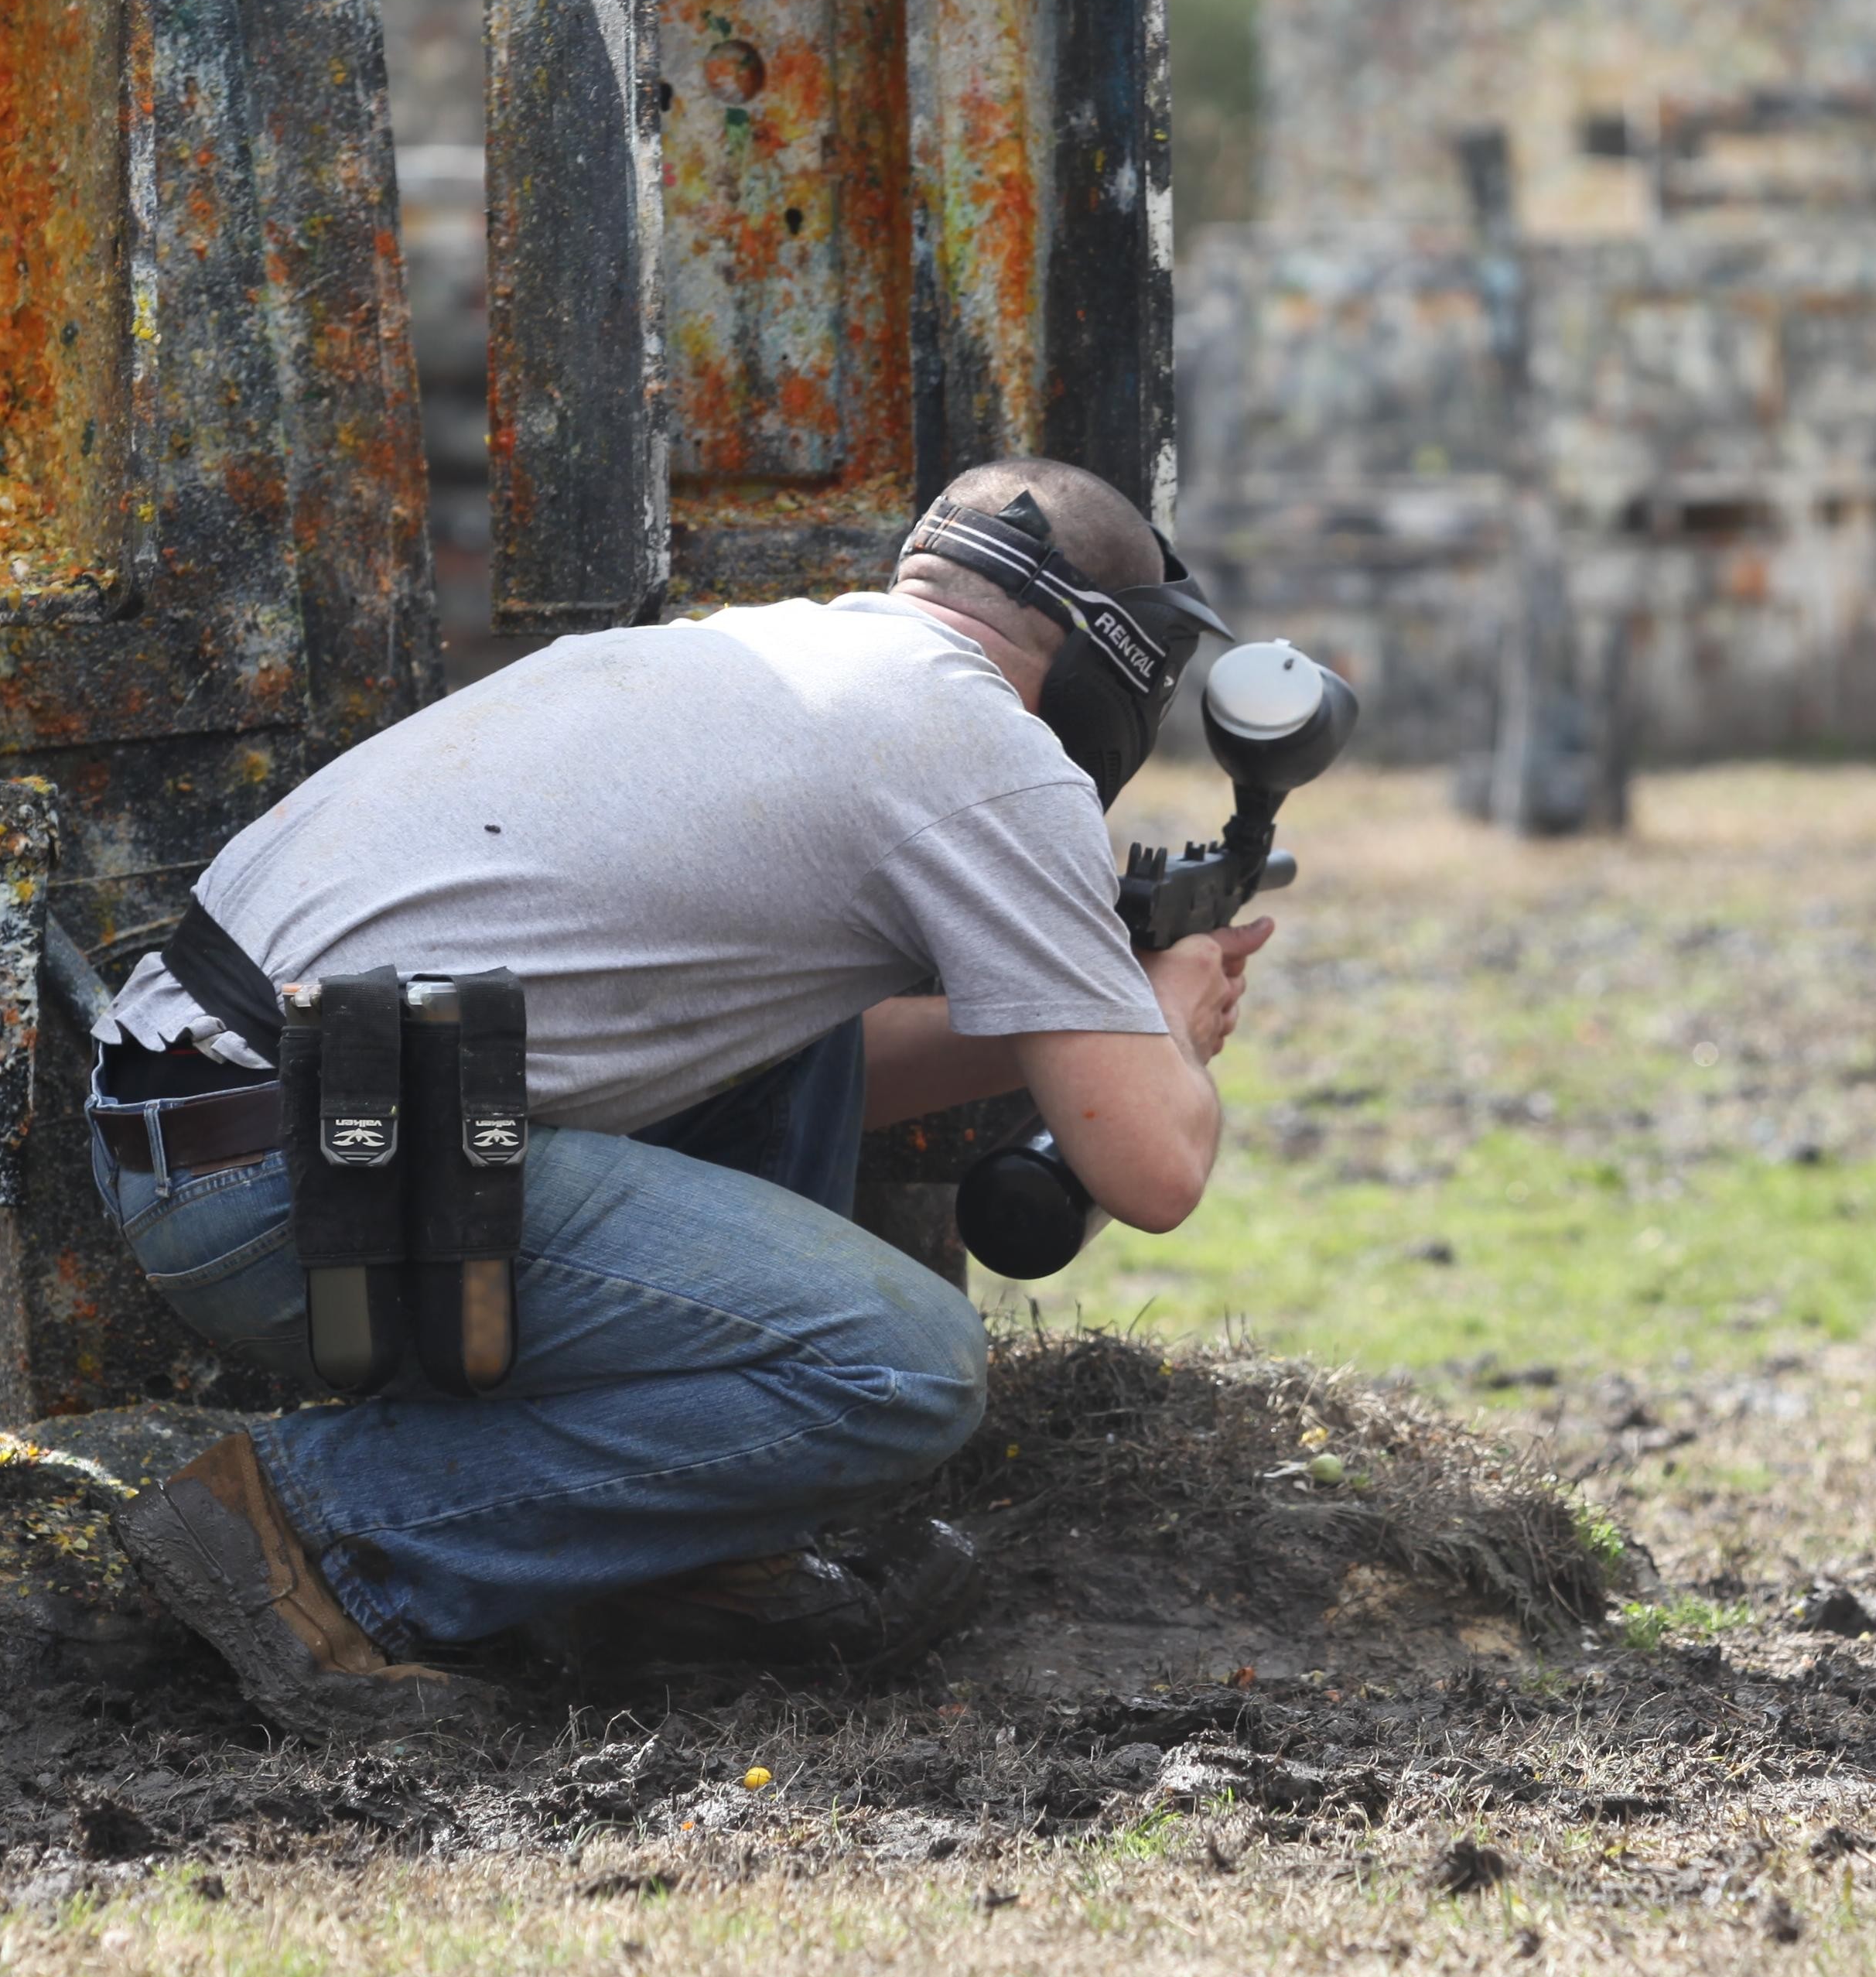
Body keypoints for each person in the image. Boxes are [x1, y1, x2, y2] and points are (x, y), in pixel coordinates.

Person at [85, 457, 1273, 1730]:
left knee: (804, 1036)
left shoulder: (774, 660)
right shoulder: (986, 752)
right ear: (1115, 665)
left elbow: (823, 1060)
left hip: (217, 1132)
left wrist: (1066, 1024)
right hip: (308, 1176)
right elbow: (1151, 1172)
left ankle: (686, 1569)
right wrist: (1160, 1020)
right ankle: (313, 1534)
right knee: (903, 1368)